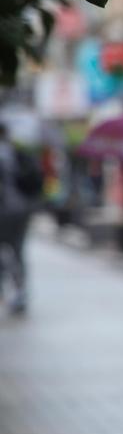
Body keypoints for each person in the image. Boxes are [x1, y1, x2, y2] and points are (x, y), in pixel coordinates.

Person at [0, 123, 43, 315]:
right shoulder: (16, 154)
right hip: (20, 210)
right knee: (17, 252)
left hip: (7, 211)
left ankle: (10, 292)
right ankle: (20, 292)